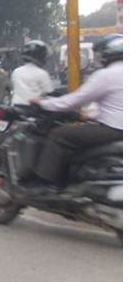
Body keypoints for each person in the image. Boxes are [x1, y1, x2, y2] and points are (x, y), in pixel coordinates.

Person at [28, 35, 123, 193]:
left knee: (60, 135)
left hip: (114, 129)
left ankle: (46, 185)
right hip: (116, 127)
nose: (99, 59)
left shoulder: (106, 75)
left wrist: (43, 103)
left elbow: (73, 101)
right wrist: (91, 116)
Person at [10, 40, 54, 105]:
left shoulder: (16, 72)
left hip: (15, 107)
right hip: (34, 110)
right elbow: (50, 93)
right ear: (40, 56)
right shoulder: (42, 73)